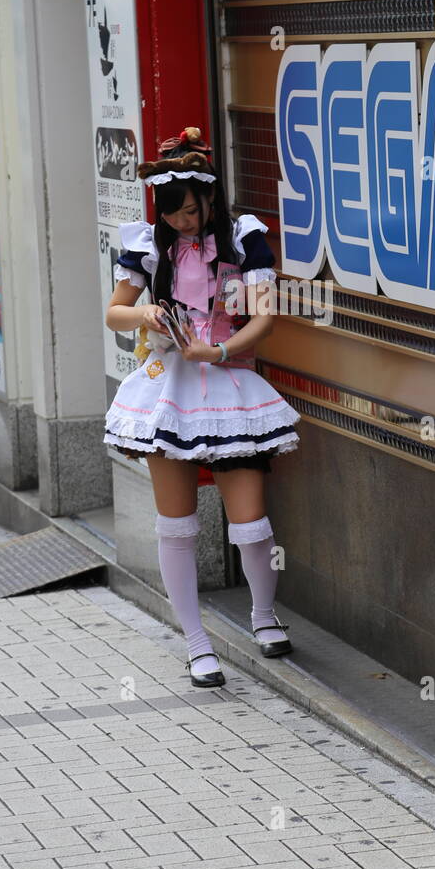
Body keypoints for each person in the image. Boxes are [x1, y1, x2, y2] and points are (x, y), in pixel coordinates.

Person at [103, 127, 301, 689]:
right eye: (174, 215)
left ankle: (263, 616)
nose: (184, 223)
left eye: (192, 211)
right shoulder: (148, 243)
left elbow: (264, 316)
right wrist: (146, 317)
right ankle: (196, 643)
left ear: (211, 198)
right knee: (178, 525)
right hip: (167, 387)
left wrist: (218, 348)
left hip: (231, 379)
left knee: (252, 522)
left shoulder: (243, 239)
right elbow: (115, 311)